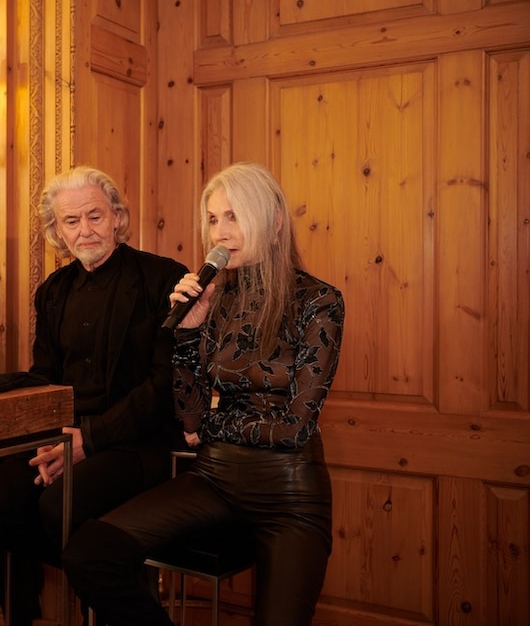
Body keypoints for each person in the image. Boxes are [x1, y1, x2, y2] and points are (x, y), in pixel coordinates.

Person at [60, 162, 346, 625]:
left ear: (273, 222)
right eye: (213, 219)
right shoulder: (217, 298)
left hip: (289, 494)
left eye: (233, 216)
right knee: (91, 554)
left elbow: (294, 426)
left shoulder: (319, 300)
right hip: (215, 478)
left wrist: (208, 427)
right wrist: (189, 334)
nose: (220, 231)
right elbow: (190, 418)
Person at [0, 166, 187, 624]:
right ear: (56, 230)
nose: (85, 230)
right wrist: (50, 443)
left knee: (56, 507)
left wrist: (89, 440)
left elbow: (164, 385)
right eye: (71, 221)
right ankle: (24, 616)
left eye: (95, 216)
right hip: (67, 436)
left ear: (117, 218)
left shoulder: (163, 278)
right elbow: (46, 378)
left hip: (138, 442)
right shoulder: (53, 291)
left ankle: (114, 598)